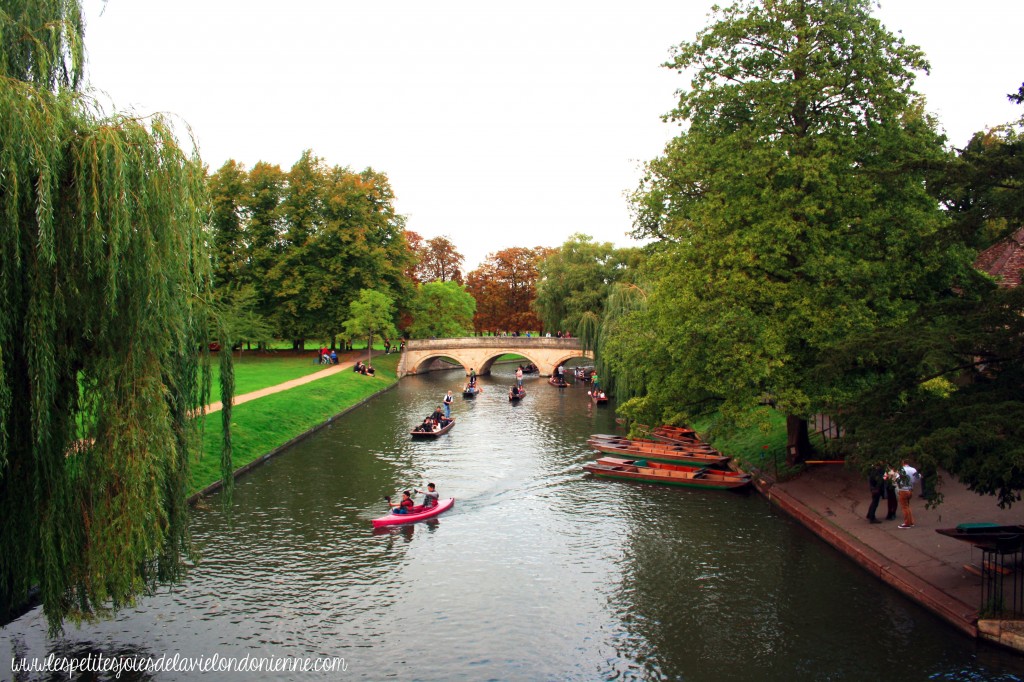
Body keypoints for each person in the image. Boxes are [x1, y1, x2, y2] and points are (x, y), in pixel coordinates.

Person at [887, 460, 919, 529]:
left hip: (903, 490)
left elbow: (895, 479)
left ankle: (907, 523)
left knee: (904, 507)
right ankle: (911, 521)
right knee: (907, 506)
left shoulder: (900, 470)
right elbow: (917, 478)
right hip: (910, 489)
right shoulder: (913, 469)